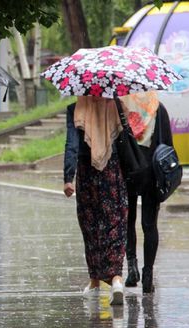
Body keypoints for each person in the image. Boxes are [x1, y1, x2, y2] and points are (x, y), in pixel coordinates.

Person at [63, 97, 127, 305]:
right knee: (115, 223)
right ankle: (116, 279)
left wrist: (68, 178)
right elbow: (126, 139)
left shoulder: (75, 109)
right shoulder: (115, 106)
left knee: (91, 226)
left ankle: (95, 282)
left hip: (86, 172)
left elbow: (71, 144)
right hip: (112, 171)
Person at [119, 92, 173, 293]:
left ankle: (132, 269)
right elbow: (167, 145)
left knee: (128, 221)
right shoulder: (159, 108)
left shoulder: (121, 108)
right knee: (149, 225)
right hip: (152, 173)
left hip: (127, 171)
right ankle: (148, 274)